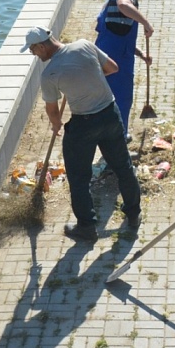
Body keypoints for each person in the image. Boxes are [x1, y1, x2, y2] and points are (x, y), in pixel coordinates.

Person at [21, 26, 141, 241]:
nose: (33, 54)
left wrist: (56, 125)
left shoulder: (50, 74)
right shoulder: (84, 45)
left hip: (83, 124)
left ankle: (86, 227)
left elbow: (52, 110)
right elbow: (112, 68)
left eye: (32, 50)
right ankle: (133, 215)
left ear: (41, 45)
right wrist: (89, 77)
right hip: (110, 115)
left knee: (78, 177)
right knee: (123, 167)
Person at [94, 0, 153, 140]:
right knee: (121, 98)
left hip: (107, 53)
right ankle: (118, 137)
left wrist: (141, 55)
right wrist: (146, 22)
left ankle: (109, 135)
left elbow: (120, 35)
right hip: (117, 60)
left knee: (105, 98)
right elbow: (123, 4)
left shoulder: (109, 2)